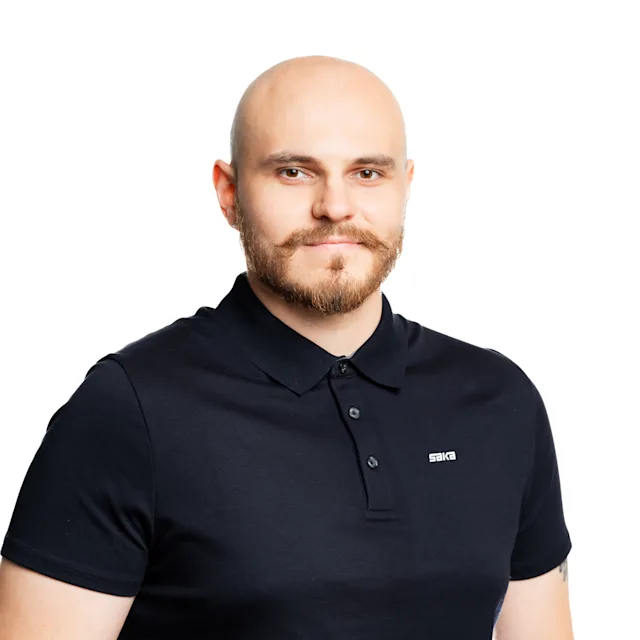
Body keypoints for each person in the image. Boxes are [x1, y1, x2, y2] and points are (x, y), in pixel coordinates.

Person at [0, 55, 574, 639]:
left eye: (367, 173)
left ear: (406, 186)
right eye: (294, 172)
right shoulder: (131, 408)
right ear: (229, 193)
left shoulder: (499, 400)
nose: (335, 206)